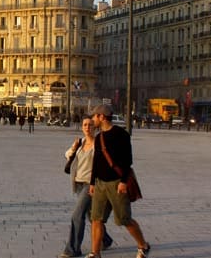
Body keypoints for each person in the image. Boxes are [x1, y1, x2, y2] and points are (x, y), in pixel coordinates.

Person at [87, 104, 150, 258]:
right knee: (96, 219)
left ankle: (143, 245)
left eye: (94, 116)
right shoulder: (99, 137)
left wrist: (123, 181)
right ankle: (95, 253)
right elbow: (96, 160)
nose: (92, 120)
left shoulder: (121, 134)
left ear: (102, 117)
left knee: (124, 219)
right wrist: (93, 182)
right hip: (100, 184)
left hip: (117, 183)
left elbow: (128, 160)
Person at [59, 116, 113, 258]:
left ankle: (73, 249)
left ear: (95, 128)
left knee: (77, 215)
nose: (87, 128)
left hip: (91, 184)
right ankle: (105, 240)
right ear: (82, 127)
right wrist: (73, 148)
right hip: (78, 183)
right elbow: (67, 155)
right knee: (92, 216)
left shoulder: (99, 144)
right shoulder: (80, 143)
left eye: (90, 125)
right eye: (85, 125)